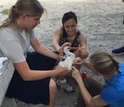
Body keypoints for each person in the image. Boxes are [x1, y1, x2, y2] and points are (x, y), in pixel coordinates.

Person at [0, 0, 70, 107]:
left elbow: (38, 47)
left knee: (54, 58)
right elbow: (26, 75)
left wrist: (58, 56)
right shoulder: (9, 36)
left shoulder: (26, 26)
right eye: (36, 19)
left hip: (21, 62)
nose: (39, 22)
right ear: (24, 16)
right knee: (50, 86)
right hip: (9, 75)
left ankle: (61, 80)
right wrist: (55, 73)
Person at [52, 11, 88, 93]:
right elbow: (54, 41)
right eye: (67, 26)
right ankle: (61, 81)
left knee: (80, 53)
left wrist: (85, 53)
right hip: (61, 55)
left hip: (73, 57)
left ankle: (76, 73)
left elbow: (84, 52)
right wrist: (59, 49)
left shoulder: (81, 36)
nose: (70, 29)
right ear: (63, 26)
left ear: (76, 24)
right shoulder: (60, 31)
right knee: (59, 70)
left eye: (73, 26)